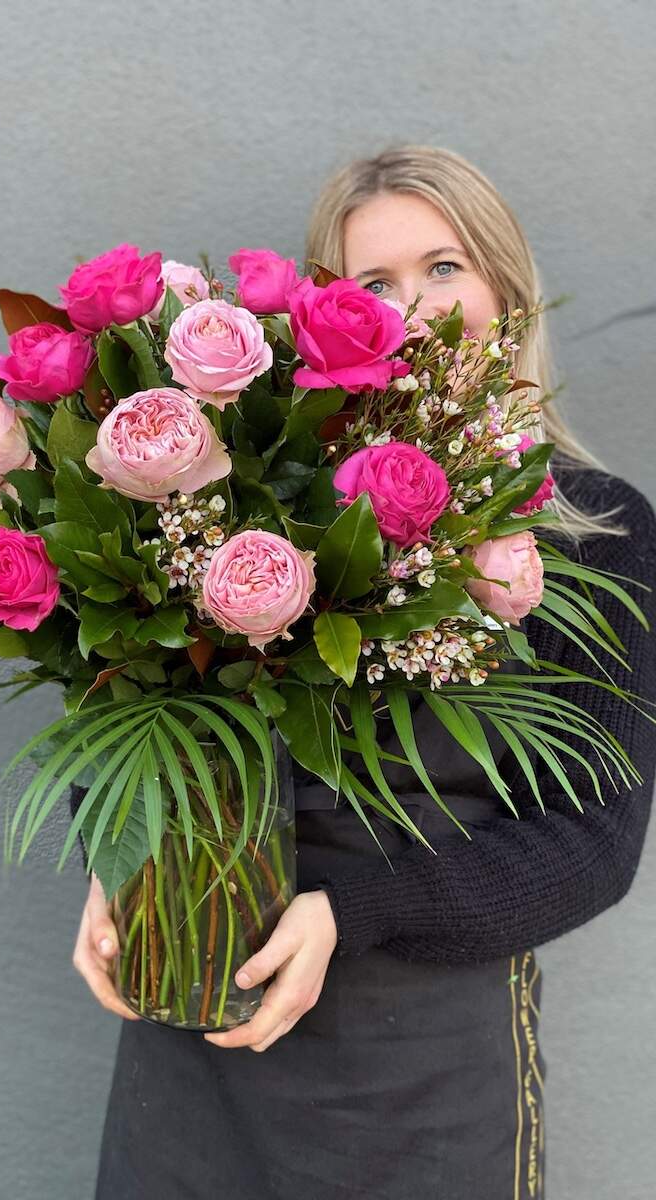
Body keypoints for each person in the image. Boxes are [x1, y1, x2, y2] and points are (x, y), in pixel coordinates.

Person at [70, 143, 656, 1199]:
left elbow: (593, 843)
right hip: (201, 1029)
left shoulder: (600, 536)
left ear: (505, 291)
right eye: (374, 284)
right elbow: (142, 710)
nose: (418, 307)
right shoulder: (258, 501)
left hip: (423, 1070)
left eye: (443, 267)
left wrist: (355, 906)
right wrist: (122, 856)